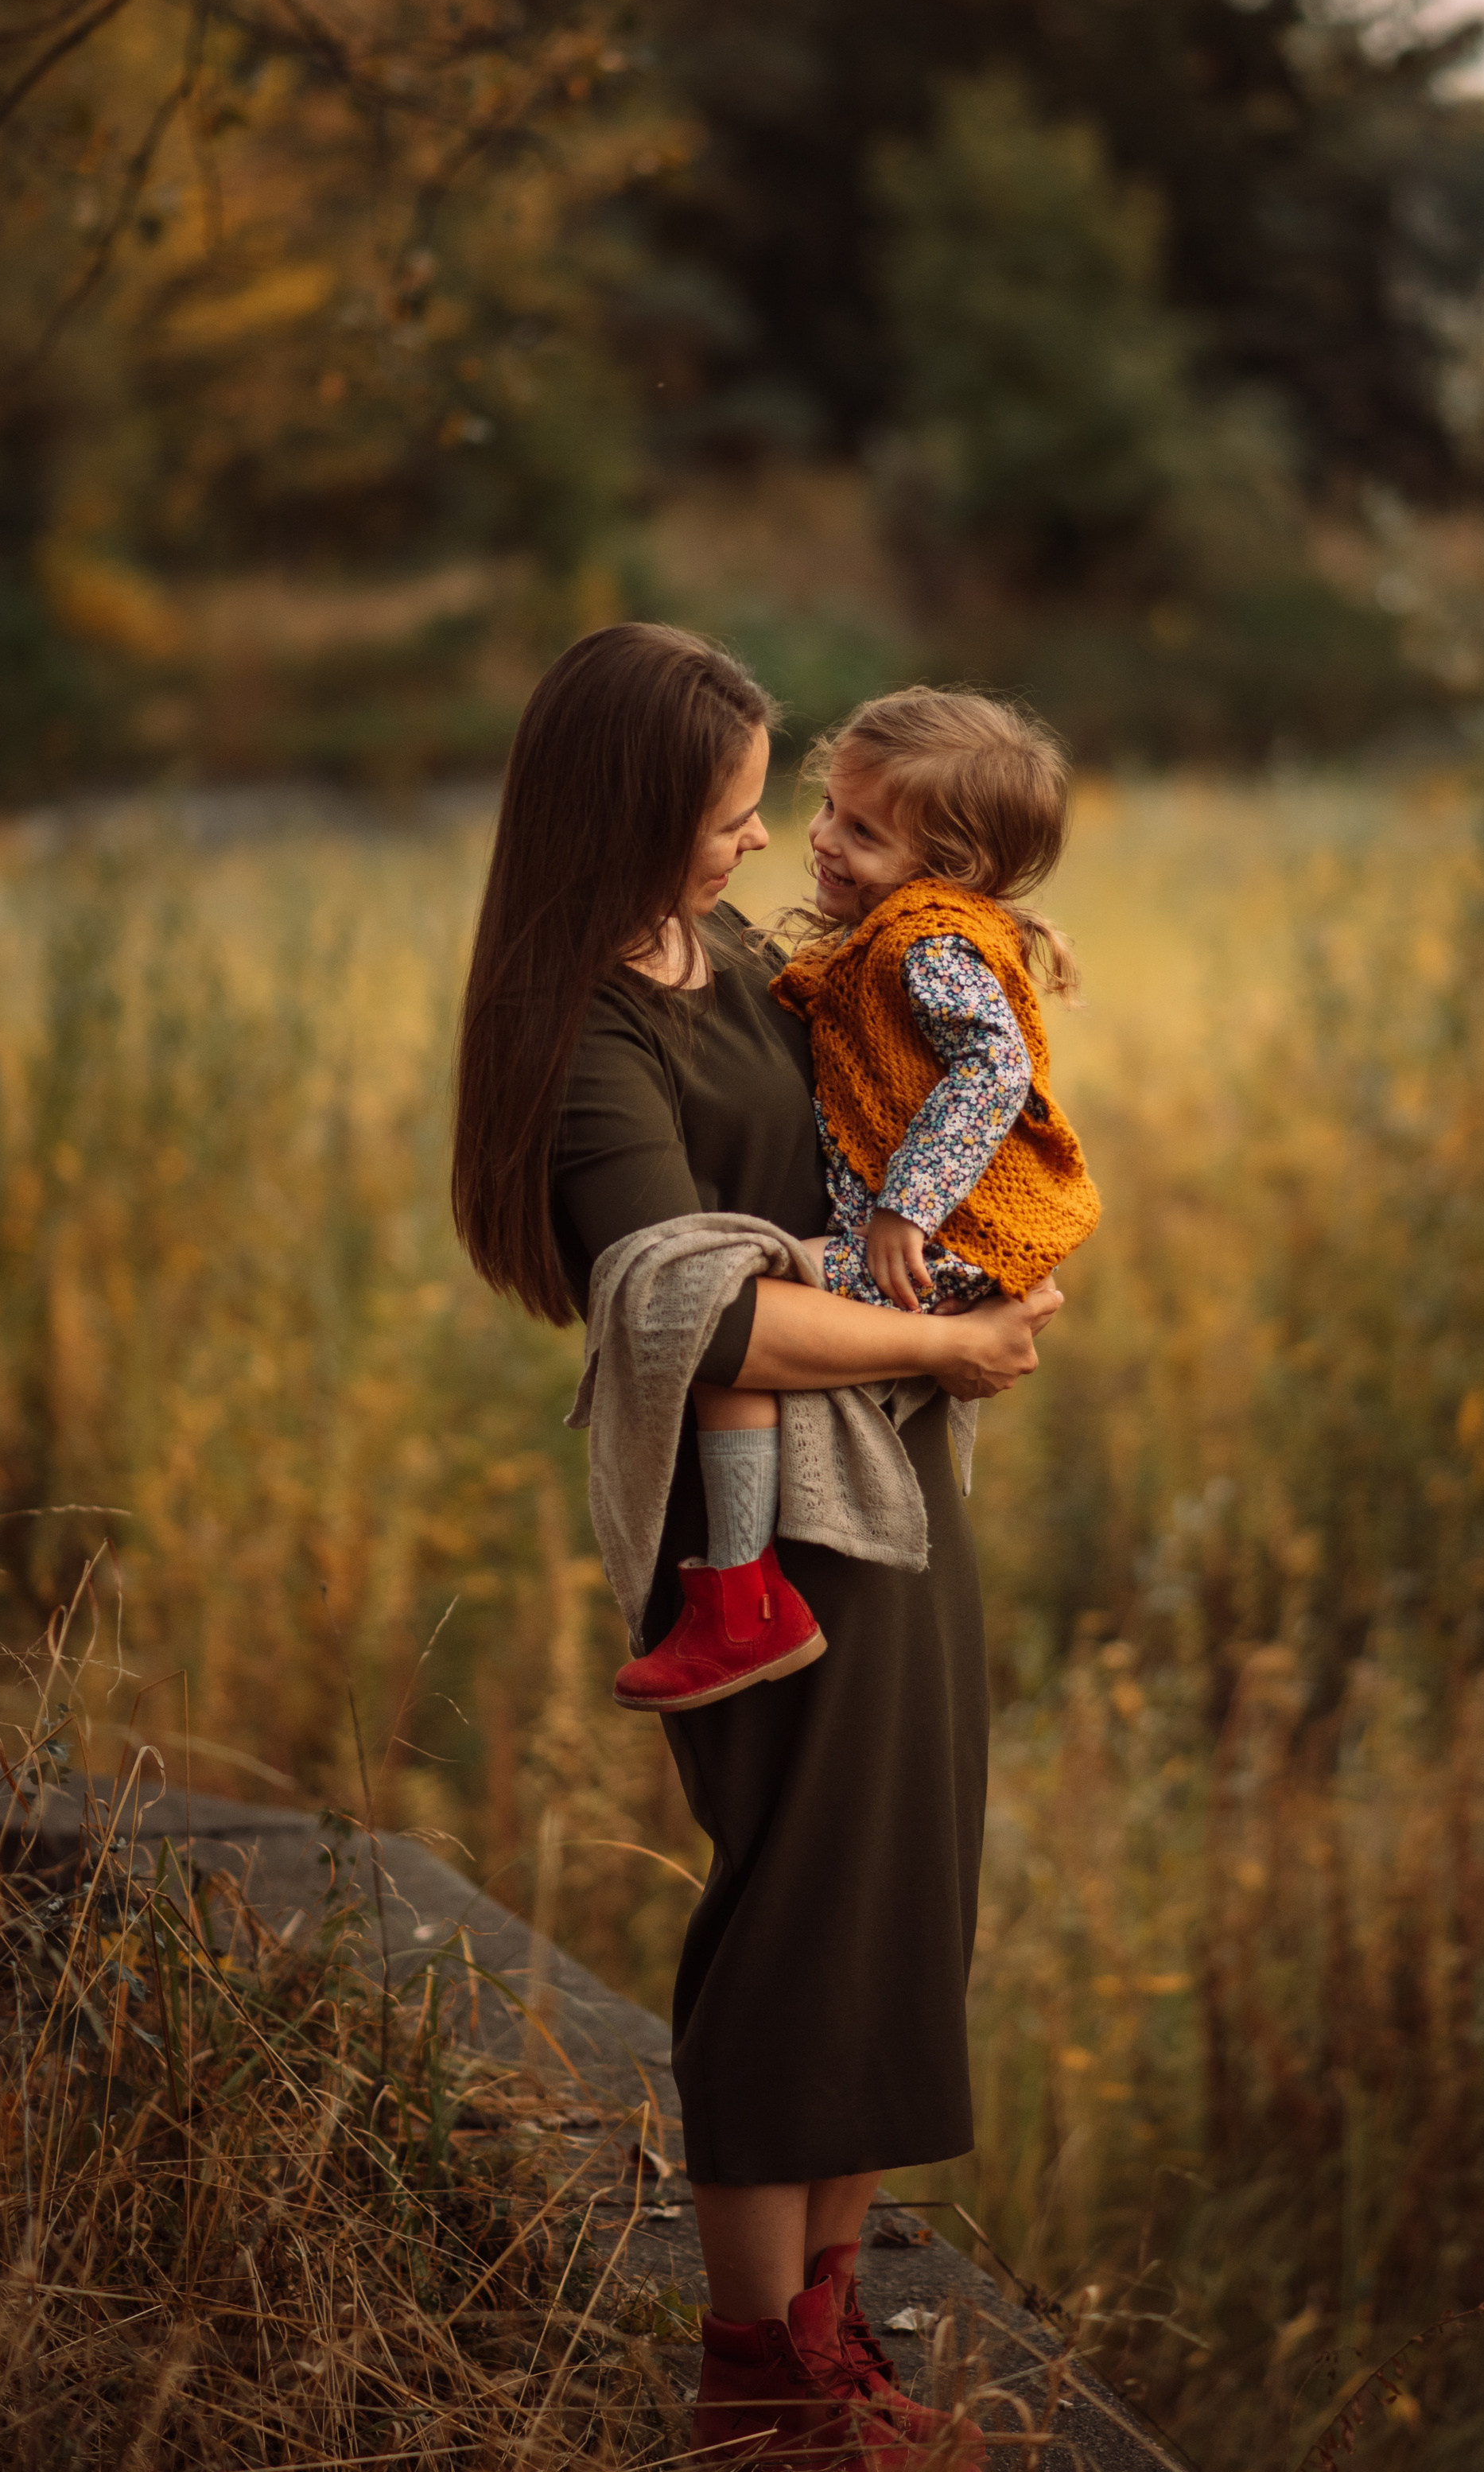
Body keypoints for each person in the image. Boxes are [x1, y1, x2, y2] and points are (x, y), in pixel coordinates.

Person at [451, 623, 1063, 2467]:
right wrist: (953, 1340)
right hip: (753, 1547)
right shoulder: (582, 1022)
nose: (754, 845)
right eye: (729, 815)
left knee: (896, 1901)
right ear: (636, 807)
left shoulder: (722, 954)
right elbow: (699, 1321)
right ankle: (749, 2380)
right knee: (791, 1918)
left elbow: (884, 1109)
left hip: (878, 1496)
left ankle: (831, 2333)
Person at [616, 686, 1100, 1719]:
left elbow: (992, 1072)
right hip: (953, 1234)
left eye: (864, 832)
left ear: (951, 865)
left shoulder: (929, 938)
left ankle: (741, 1599)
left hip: (948, 1240)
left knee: (726, 1312)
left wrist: (907, 1209)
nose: (823, 840)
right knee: (747, 1305)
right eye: (830, 809)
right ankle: (748, 1591)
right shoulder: (908, 927)